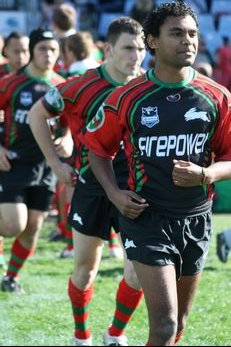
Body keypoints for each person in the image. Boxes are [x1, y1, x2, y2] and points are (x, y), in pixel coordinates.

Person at [78, 2, 231, 346]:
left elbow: (229, 156)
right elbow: (98, 149)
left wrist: (207, 174)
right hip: (147, 218)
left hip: (196, 219)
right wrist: (115, 195)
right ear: (152, 41)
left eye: (192, 33)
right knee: (163, 326)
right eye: (176, 33)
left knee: (177, 328)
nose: (187, 41)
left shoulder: (216, 97)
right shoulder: (127, 97)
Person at [29, 16, 146, 346]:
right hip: (91, 188)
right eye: (128, 48)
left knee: (137, 272)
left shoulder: (147, 86)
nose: (135, 56)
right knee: (84, 271)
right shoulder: (80, 85)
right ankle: (81, 335)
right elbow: (38, 113)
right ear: (107, 50)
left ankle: (116, 334)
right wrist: (54, 163)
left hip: (134, 189)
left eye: (140, 49)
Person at [0, 28, 68, 293]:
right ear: (33, 51)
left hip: (47, 165)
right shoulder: (11, 82)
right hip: (14, 162)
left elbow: (69, 121)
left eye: (53, 49)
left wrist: (68, 138)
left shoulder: (61, 84)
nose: (48, 55)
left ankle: (10, 278)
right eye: (42, 49)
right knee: (12, 225)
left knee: (34, 227)